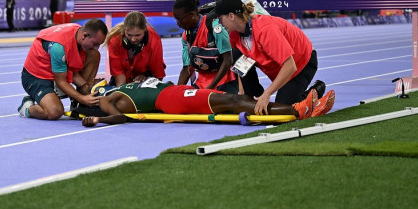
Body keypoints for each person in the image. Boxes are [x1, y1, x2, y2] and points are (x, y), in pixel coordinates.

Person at [213, 0, 332, 115]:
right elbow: (240, 63)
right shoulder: (234, 34)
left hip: (301, 63)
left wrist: (267, 94)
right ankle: (255, 96)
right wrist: (242, 93)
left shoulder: (264, 28)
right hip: (281, 67)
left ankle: (315, 91)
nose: (220, 24)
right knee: (236, 53)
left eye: (220, 19)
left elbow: (290, 65)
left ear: (231, 16)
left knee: (285, 110)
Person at [81, 77, 332, 127]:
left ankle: (303, 107)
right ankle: (300, 109)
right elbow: (122, 117)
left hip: (176, 93)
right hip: (173, 99)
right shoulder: (108, 98)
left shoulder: (125, 85)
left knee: (239, 99)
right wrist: (97, 119)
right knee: (235, 101)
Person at [18, 20, 108, 120]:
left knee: (94, 55)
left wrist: (87, 87)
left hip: (58, 71)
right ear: (84, 36)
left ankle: (77, 104)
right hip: (36, 77)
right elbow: (61, 81)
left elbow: (70, 72)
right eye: (95, 44)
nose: (97, 48)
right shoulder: (58, 47)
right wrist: (82, 98)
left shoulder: (78, 32)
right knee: (55, 112)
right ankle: (26, 108)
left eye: (99, 45)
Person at [171, 0, 237, 93]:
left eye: (180, 19)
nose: (178, 23)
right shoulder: (186, 36)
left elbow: (228, 60)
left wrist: (210, 88)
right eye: (176, 20)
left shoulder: (215, 27)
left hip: (225, 81)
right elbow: (187, 68)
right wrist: (176, 92)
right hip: (202, 83)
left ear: (192, 15)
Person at [103, 11, 166, 86]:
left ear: (145, 30)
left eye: (138, 35)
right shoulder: (115, 39)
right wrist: (122, 93)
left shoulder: (154, 40)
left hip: (145, 80)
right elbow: (119, 77)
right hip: (122, 79)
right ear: (124, 30)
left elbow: (158, 74)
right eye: (129, 35)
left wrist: (147, 79)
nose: (133, 39)